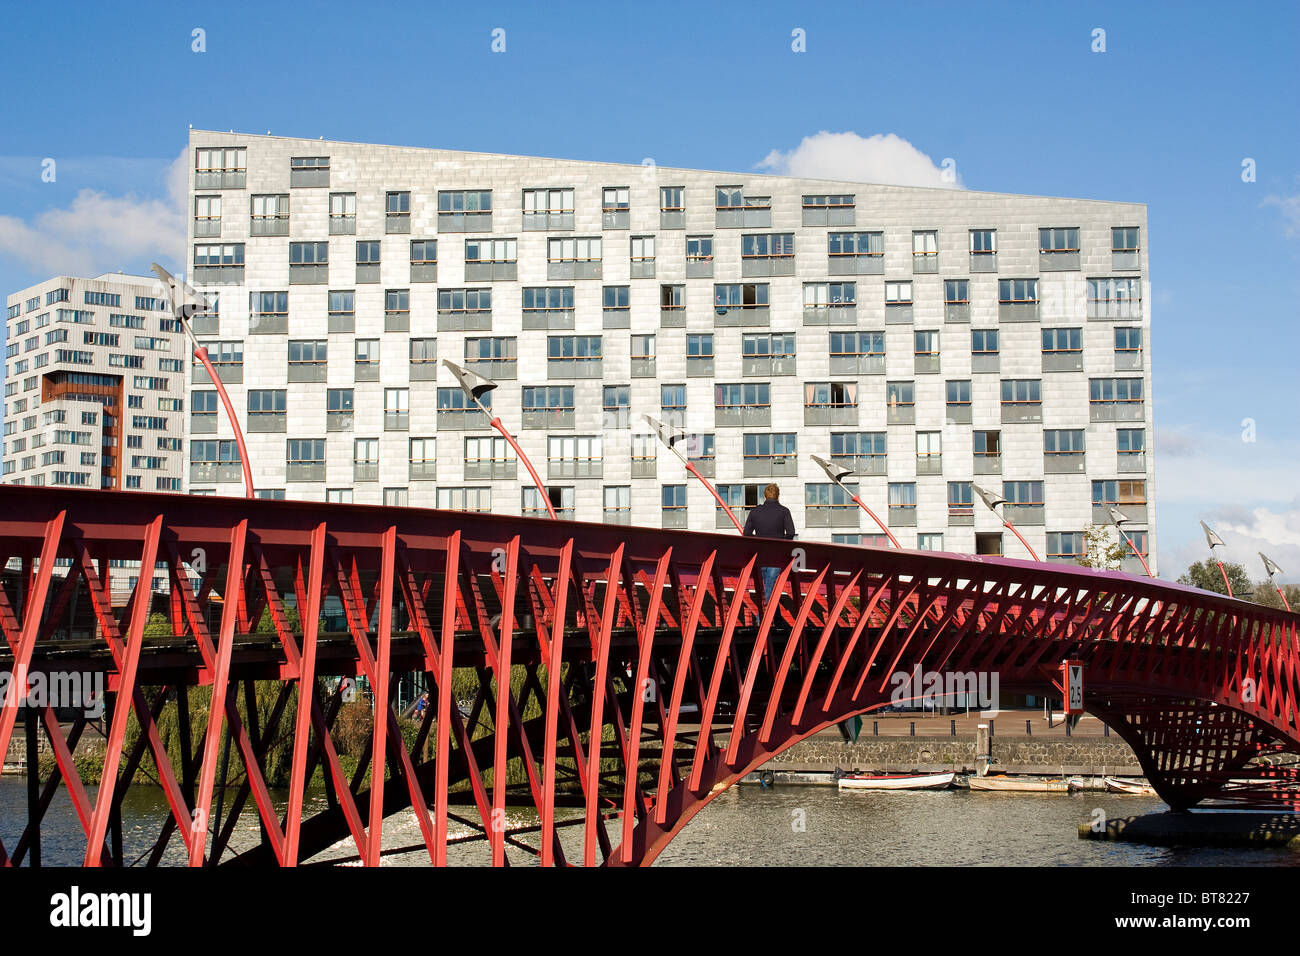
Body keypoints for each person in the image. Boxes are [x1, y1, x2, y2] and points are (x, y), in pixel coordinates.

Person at [743, 483, 796, 598]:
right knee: (769, 588)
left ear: (764, 496)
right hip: (776, 555)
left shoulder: (755, 512)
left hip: (760, 555)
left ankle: (763, 614)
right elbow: (791, 533)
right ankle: (762, 616)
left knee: (763, 588)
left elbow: (746, 534)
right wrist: (781, 541)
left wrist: (758, 539)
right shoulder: (784, 511)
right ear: (778, 496)